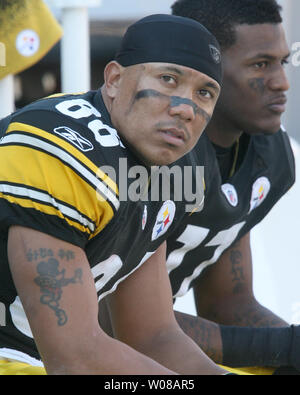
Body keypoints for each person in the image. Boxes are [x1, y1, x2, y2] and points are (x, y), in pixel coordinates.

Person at [0, 14, 228, 375]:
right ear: (114, 79)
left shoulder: (176, 167)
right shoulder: (58, 145)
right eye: (168, 79)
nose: (186, 108)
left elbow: (153, 336)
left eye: (205, 93)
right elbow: (76, 358)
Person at [166, 0, 300, 374]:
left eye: (283, 62)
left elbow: (229, 303)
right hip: (35, 350)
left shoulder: (265, 153)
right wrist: (287, 346)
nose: (282, 82)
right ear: (201, 68)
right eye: (261, 64)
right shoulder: (146, 153)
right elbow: (118, 323)